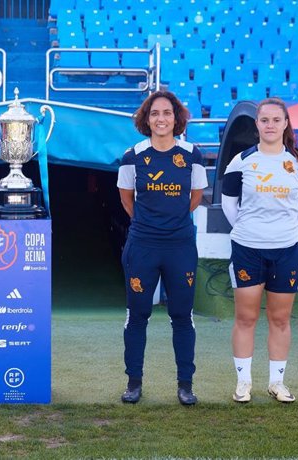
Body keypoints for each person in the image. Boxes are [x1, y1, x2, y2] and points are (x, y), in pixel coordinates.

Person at [221, 98, 298, 403]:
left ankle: (276, 382)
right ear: (257, 125)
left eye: (277, 120)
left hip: (287, 249)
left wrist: (290, 232)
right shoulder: (241, 161)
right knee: (246, 317)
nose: (271, 125)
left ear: (286, 123)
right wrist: (249, 231)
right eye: (265, 120)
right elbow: (228, 204)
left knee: (280, 319)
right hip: (247, 248)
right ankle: (244, 382)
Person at [117, 90, 208, 405]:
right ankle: (134, 383)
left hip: (180, 245)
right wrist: (149, 224)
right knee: (138, 314)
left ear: (176, 118)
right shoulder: (132, 156)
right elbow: (126, 198)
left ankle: (185, 385)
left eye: (167, 113)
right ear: (146, 118)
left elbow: (195, 196)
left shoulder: (192, 154)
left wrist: (174, 221)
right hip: (142, 245)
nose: (161, 119)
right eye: (155, 113)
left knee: (182, 315)